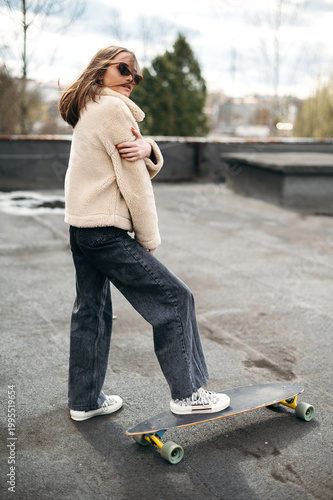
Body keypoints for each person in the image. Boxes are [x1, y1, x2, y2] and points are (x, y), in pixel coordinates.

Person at [58, 46, 230, 421]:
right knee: (174, 300)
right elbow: (135, 182)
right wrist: (147, 238)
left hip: (82, 229)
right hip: (106, 232)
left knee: (91, 312)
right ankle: (188, 395)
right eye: (124, 69)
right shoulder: (114, 110)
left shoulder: (89, 108)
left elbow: (125, 158)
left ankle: (84, 401)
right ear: (102, 70)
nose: (131, 79)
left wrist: (148, 146)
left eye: (136, 75)